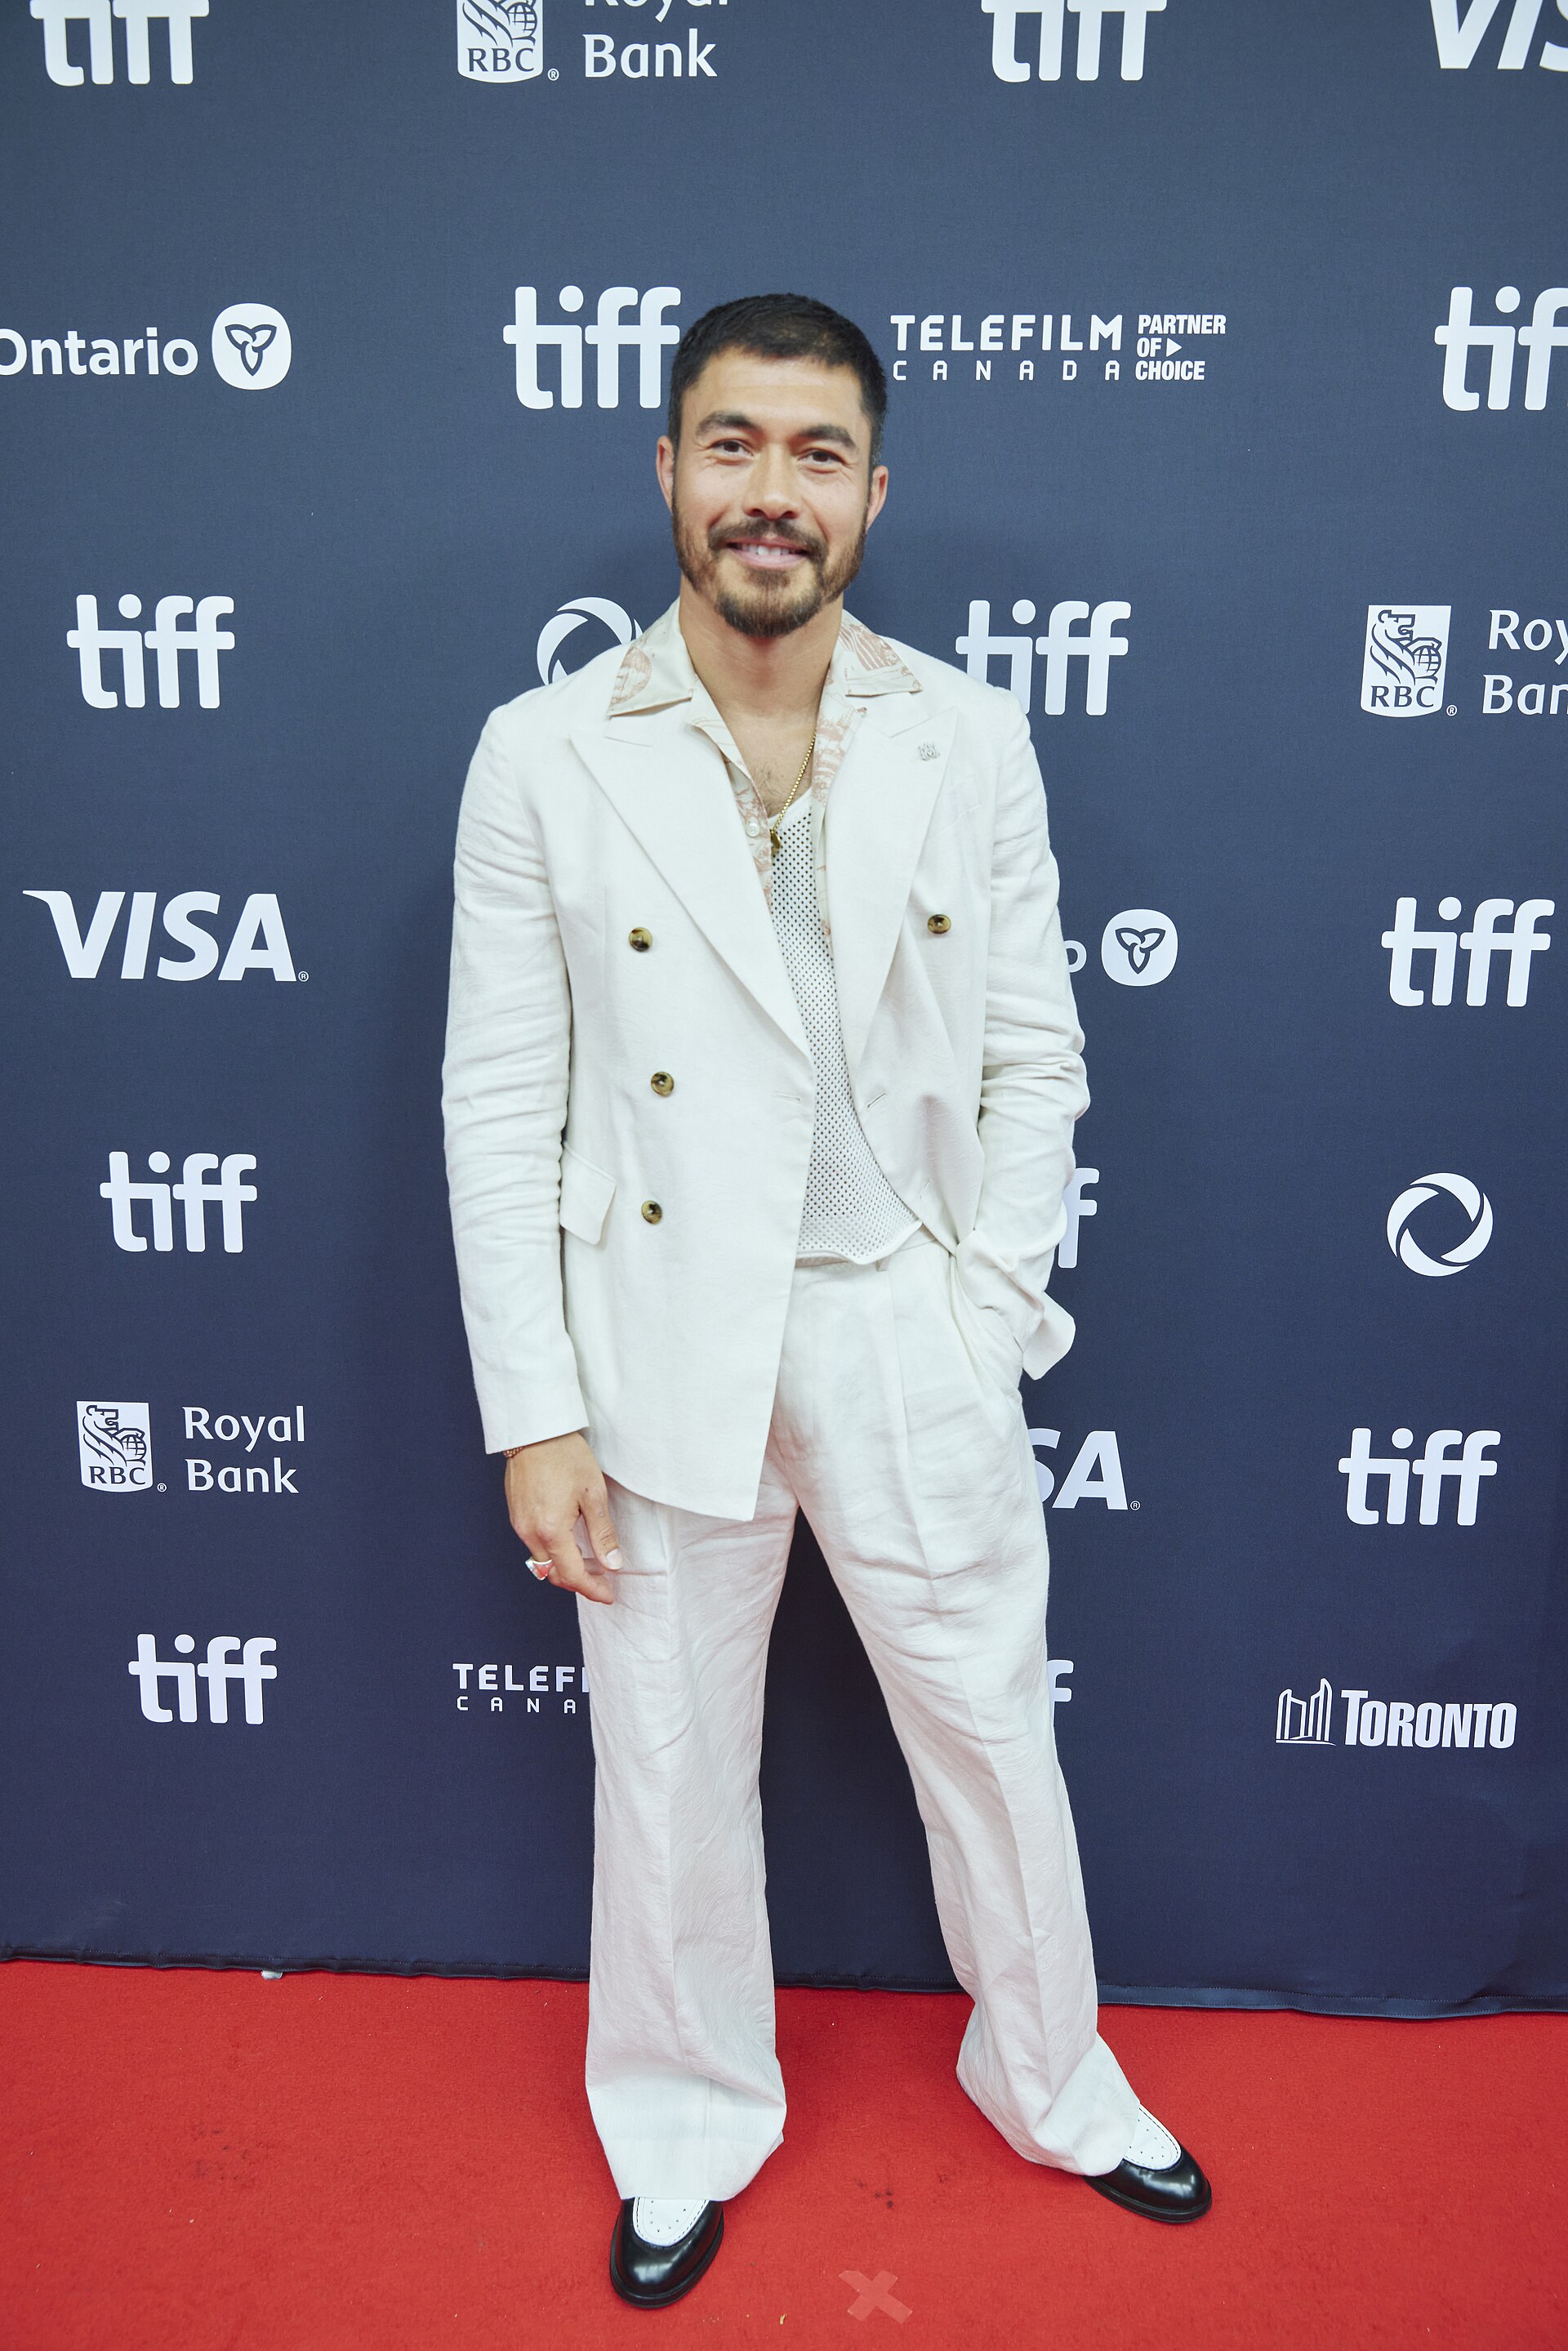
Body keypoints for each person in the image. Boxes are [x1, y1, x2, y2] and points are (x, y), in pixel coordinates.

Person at [442, 292, 1211, 2311]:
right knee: (672, 1758)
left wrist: (989, 1297)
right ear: (668, 470)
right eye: (729, 444)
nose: (766, 493)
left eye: (809, 454)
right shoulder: (543, 752)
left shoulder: (970, 731)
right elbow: (503, 1095)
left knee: (988, 1733)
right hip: (655, 1338)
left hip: (901, 1319)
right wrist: (536, 1404)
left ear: (871, 491)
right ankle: (686, 2117)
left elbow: (1040, 1053)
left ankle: (1054, 2071)